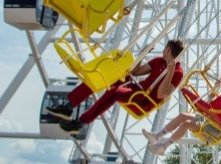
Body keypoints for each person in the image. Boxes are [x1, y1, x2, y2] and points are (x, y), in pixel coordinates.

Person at [51, 40, 186, 132]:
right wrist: (142, 54)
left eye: (165, 48)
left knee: (114, 92)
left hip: (144, 99)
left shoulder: (178, 73)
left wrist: (170, 72)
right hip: (136, 88)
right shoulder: (158, 61)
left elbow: (161, 95)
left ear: (168, 49)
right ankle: (68, 106)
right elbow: (136, 72)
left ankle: (80, 122)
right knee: (106, 76)